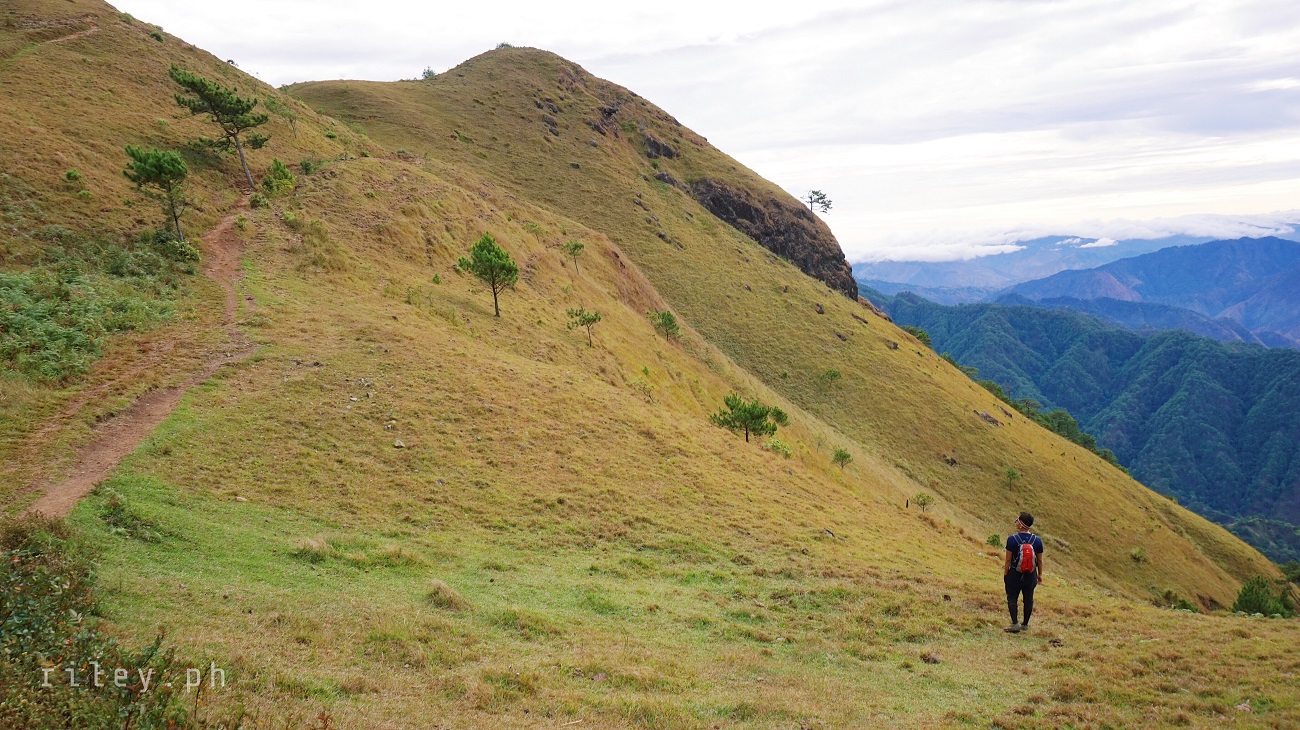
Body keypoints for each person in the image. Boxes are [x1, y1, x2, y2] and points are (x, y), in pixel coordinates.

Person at [1002, 512, 1044, 633]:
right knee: (1028, 599)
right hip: (1031, 575)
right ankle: (1025, 624)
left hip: (1014, 573)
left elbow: (1008, 559)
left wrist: (1006, 573)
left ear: (1021, 524)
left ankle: (1015, 624)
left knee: (1012, 598)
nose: (1015, 522)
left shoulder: (1012, 539)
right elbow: (1039, 560)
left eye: (1017, 520)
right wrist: (1039, 575)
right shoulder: (1037, 540)